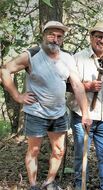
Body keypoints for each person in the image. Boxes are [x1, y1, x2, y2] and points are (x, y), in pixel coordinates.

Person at [0, 20, 91, 190]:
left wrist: (85, 112)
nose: (55, 39)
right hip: (36, 112)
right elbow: (5, 70)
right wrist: (18, 96)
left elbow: (77, 85)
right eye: (51, 35)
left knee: (59, 150)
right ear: (44, 35)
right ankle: (34, 185)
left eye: (59, 36)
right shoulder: (32, 54)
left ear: (62, 39)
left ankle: (49, 182)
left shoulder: (67, 58)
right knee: (34, 150)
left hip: (59, 113)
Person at [67, 22, 103, 190]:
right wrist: (87, 86)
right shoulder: (78, 57)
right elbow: (69, 85)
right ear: (91, 37)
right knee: (81, 155)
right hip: (82, 116)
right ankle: (80, 185)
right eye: (98, 36)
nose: (102, 40)